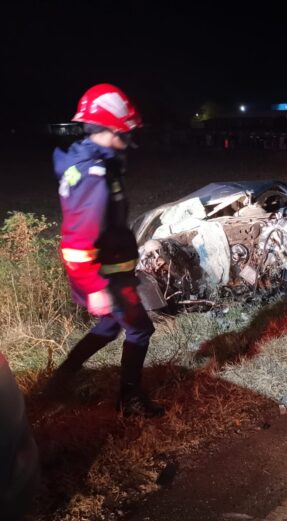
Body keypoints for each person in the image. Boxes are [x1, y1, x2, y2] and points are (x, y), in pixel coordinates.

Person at [49, 84, 164, 418]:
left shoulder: (91, 164)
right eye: (126, 131)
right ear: (112, 129)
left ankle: (61, 378)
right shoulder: (94, 175)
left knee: (109, 327)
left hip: (108, 271)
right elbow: (77, 241)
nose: (130, 138)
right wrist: (96, 287)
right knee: (140, 329)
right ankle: (130, 401)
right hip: (105, 277)